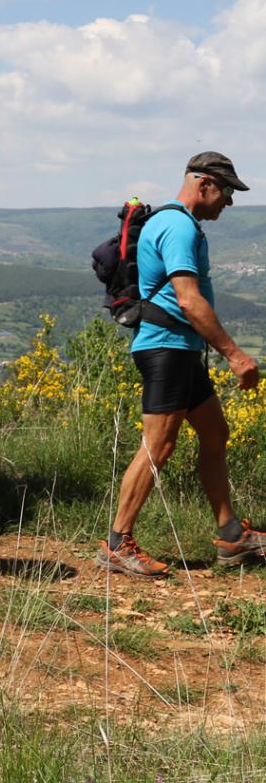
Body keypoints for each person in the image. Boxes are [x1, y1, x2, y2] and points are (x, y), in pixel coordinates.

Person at [97, 152, 266, 578]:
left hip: (181, 348)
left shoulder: (179, 223)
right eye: (226, 191)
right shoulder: (177, 227)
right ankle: (117, 544)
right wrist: (235, 354)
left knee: (215, 433)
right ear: (203, 183)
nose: (229, 201)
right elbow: (188, 300)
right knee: (159, 445)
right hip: (166, 348)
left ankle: (231, 534)